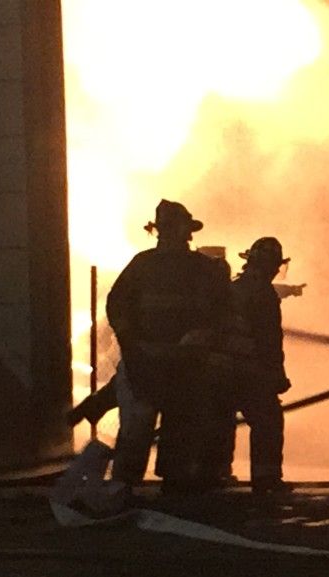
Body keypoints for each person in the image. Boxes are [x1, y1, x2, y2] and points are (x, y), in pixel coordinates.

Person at [106, 200, 230, 494]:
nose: (170, 236)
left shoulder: (203, 270)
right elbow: (117, 305)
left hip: (185, 363)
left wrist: (207, 334)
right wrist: (131, 344)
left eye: (174, 230)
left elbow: (224, 310)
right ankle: (123, 486)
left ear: (187, 233)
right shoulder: (143, 265)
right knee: (139, 426)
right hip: (148, 362)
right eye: (166, 230)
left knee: (181, 426)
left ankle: (173, 485)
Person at [219, 237, 294, 495]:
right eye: (275, 265)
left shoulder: (234, 287)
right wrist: (277, 375)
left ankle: (218, 473)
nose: (276, 271)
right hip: (250, 371)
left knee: (223, 422)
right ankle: (267, 479)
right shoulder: (263, 294)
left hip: (224, 369)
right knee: (268, 421)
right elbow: (269, 340)